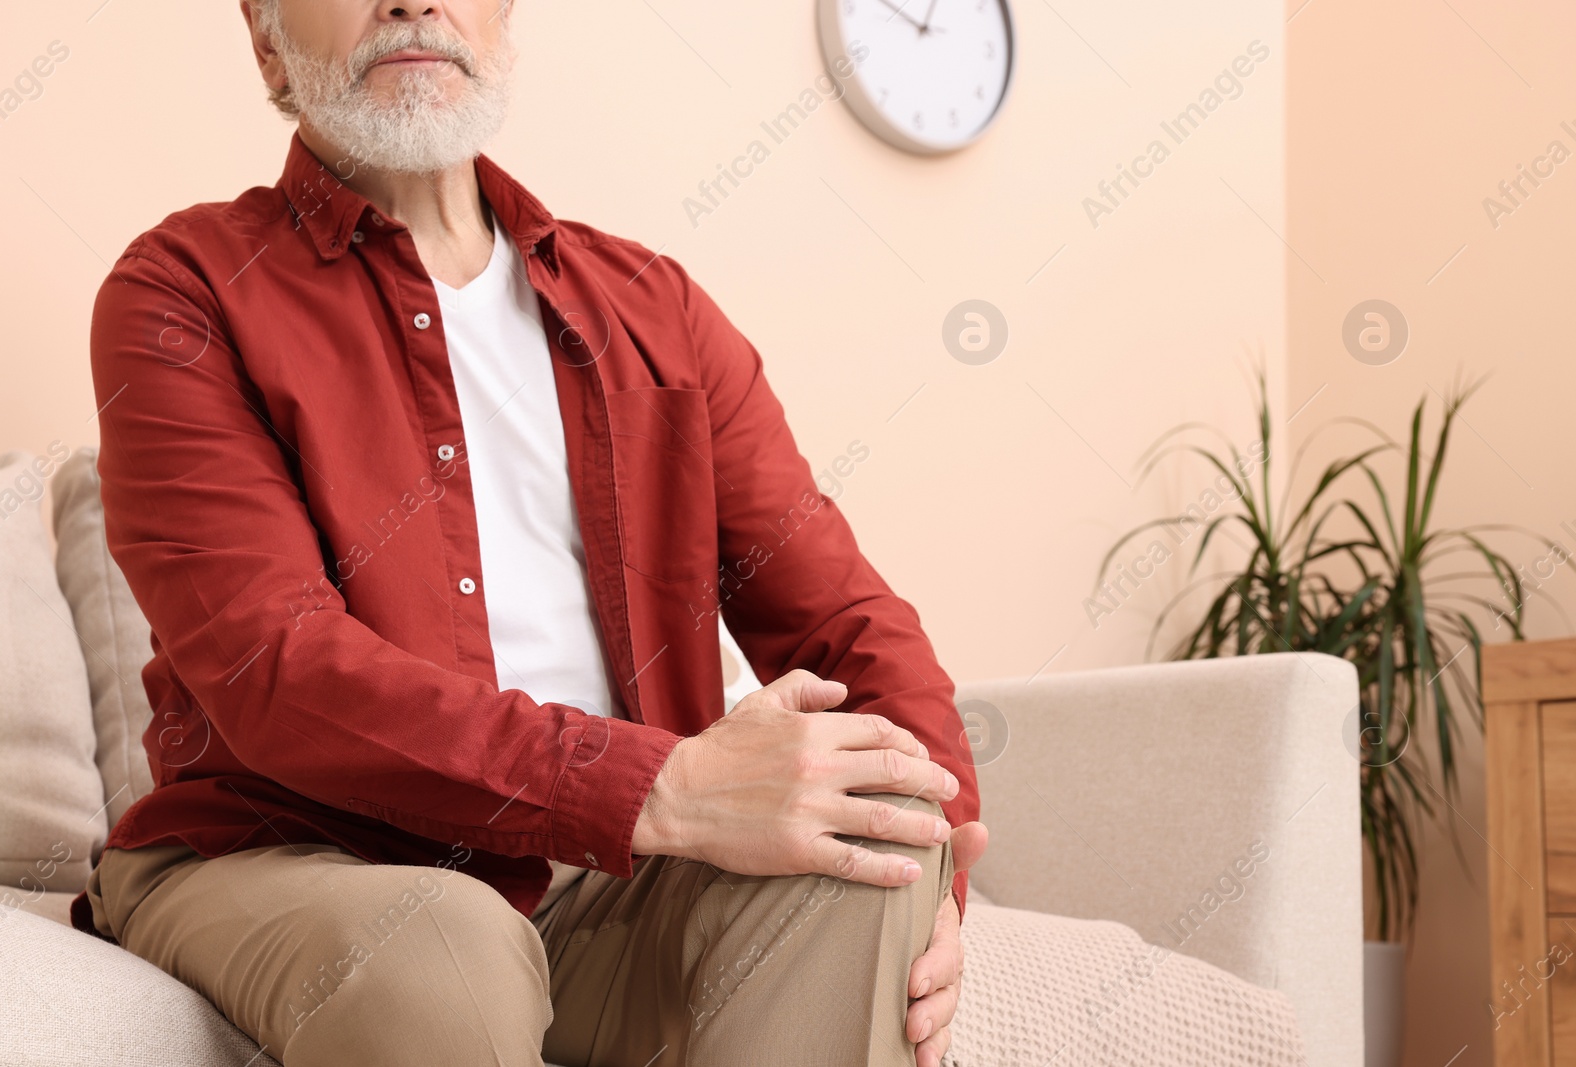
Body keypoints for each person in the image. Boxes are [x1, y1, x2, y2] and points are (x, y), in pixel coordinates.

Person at [72, 2, 985, 1064]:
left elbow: (846, 620)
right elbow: (275, 667)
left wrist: (944, 864)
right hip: (293, 857)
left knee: (875, 839)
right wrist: (662, 785)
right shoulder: (181, 290)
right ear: (265, 36)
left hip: (619, 883)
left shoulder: (654, 307)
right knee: (447, 951)